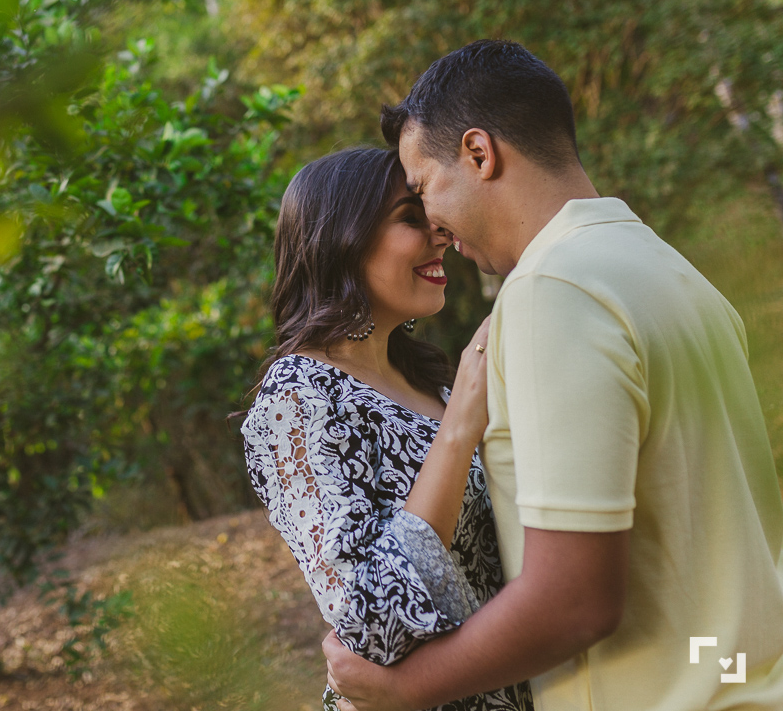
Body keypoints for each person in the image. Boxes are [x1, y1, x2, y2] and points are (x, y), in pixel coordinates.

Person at [323, 40, 783, 711]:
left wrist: (402, 688)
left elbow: (574, 601)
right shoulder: (675, 274)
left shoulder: (553, 292)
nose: (434, 228)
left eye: (424, 191)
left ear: (480, 154)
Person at [241, 147, 533, 711]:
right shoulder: (296, 400)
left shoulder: (429, 381)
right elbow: (370, 617)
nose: (440, 232)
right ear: (341, 241)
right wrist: (459, 428)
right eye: (409, 217)